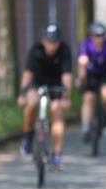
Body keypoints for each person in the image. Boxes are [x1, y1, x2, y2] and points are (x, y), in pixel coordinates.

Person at [17, 24, 73, 169]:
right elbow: (28, 75)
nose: (52, 45)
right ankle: (28, 137)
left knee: (57, 110)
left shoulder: (65, 51)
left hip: (56, 86)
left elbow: (67, 77)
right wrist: (22, 94)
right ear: (43, 41)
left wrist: (66, 97)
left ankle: (57, 155)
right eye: (49, 41)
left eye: (55, 42)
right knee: (32, 103)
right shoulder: (35, 50)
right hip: (37, 85)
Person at [77, 21, 106, 143]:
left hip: (104, 75)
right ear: (91, 36)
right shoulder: (86, 45)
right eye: (96, 35)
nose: (99, 38)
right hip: (90, 75)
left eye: (101, 35)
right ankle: (85, 127)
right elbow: (82, 62)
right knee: (88, 98)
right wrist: (81, 79)